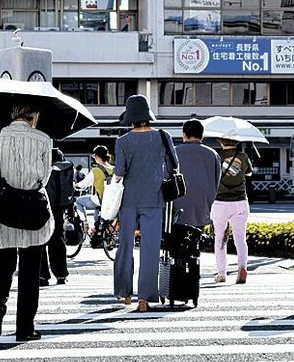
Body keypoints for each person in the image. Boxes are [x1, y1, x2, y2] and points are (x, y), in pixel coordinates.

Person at [0, 104, 54, 341]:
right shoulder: (44, 139)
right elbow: (44, 178)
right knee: (31, 270)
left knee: (2, 263)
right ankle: (24, 327)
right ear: (34, 116)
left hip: (2, 210)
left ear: (13, 114)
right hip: (33, 212)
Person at [113, 95, 179, 312]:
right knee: (150, 249)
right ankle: (144, 299)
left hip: (129, 200)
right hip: (154, 198)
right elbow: (173, 166)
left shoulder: (122, 141)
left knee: (125, 246)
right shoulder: (162, 136)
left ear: (130, 118)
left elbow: (120, 172)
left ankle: (125, 294)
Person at [210, 138, 253, 284]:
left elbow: (212, 176)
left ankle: (221, 274)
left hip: (220, 202)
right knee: (240, 238)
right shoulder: (243, 156)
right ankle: (242, 268)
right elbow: (249, 173)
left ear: (221, 142)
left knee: (220, 238)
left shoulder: (217, 156)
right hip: (240, 201)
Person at [175, 120, 221, 229]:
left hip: (178, 207)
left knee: (176, 242)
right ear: (202, 136)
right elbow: (217, 181)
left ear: (184, 135)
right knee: (197, 240)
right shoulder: (212, 154)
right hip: (203, 206)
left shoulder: (174, 152)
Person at [40, 147, 73, 286]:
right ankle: (61, 274)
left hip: (43, 206)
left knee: (40, 240)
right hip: (60, 208)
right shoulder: (66, 168)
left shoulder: (43, 168)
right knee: (58, 239)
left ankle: (42, 276)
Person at [74, 145, 114, 230]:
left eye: (95, 156)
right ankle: (97, 226)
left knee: (79, 201)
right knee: (98, 206)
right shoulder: (114, 169)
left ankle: (85, 223)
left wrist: (75, 185)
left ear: (98, 157)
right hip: (111, 201)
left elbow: (84, 184)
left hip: (98, 200)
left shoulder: (96, 170)